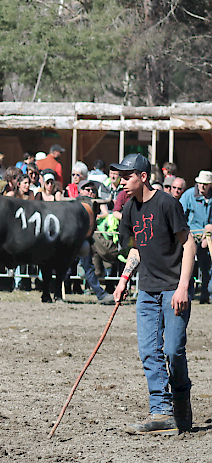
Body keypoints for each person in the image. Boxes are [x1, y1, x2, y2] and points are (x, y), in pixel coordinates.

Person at [112, 153, 195, 436]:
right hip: (146, 290)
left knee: (173, 350)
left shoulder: (168, 204)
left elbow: (189, 243)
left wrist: (183, 286)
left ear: (143, 177)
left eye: (127, 176)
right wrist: (124, 279)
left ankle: (181, 396)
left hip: (174, 288)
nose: (121, 181)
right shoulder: (130, 210)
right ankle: (161, 411)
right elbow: (137, 248)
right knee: (149, 351)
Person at [179, 170, 212, 304]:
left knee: (207, 267)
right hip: (190, 236)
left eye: (205, 184)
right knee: (189, 265)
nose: (202, 186)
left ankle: (206, 293)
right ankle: (188, 293)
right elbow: (179, 216)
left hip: (208, 238)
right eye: (200, 183)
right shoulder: (188, 195)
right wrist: (186, 232)